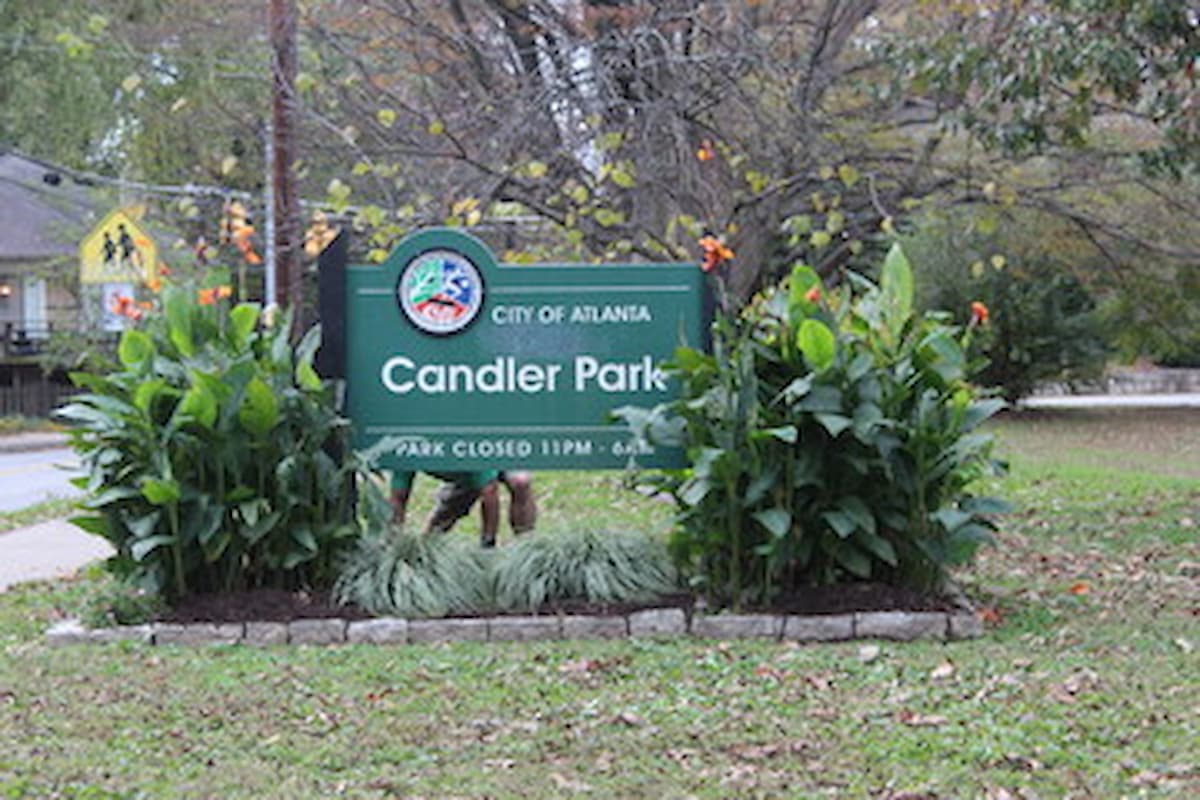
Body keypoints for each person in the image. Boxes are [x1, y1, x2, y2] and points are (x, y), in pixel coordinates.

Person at [389, 469, 536, 547]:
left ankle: (525, 547)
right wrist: (393, 542)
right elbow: (398, 496)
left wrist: (488, 545)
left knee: (520, 481)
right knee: (437, 528)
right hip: (464, 473)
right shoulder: (409, 444)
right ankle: (426, 552)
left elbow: (490, 493)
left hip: (490, 450)